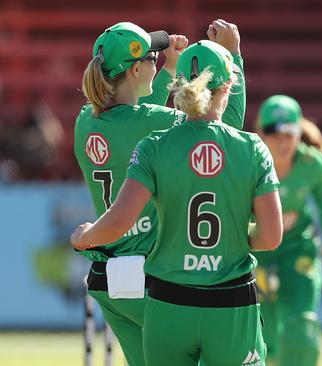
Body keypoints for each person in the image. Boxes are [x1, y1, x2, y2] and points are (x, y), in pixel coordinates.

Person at [71, 39, 282, 366]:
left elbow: (134, 117)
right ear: (138, 69)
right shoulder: (174, 128)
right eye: (154, 58)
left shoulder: (87, 120)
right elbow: (220, 132)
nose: (159, 61)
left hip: (113, 278)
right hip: (176, 280)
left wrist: (84, 238)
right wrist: (234, 56)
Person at [254, 95, 322, 366]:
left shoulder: (312, 164)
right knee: (264, 343)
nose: (283, 140)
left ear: (300, 130)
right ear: (261, 133)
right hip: (258, 255)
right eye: (274, 132)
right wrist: (249, 267)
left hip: (297, 252)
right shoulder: (249, 164)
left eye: (289, 131)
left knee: (302, 332)